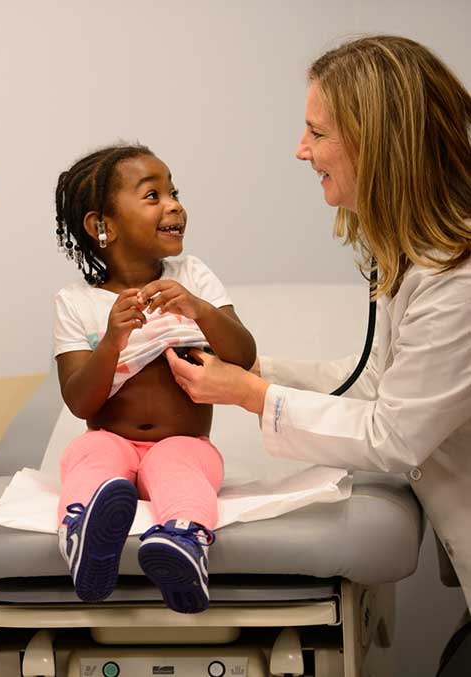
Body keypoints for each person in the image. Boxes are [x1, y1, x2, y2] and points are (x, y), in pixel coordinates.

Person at [163, 34, 471, 671]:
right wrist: (254, 371)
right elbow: (379, 379)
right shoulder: (417, 259)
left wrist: (248, 394)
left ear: (376, 142)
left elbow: (394, 434)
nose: (301, 151)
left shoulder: (458, 282)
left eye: (316, 132)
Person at [50, 144, 256, 613]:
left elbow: (242, 356)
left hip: (182, 439)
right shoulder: (75, 302)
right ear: (102, 225)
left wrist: (198, 309)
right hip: (113, 437)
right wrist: (111, 342)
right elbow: (81, 402)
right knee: (88, 454)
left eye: (174, 192)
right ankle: (83, 534)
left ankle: (183, 541)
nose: (174, 204)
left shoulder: (193, 277)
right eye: (152, 195)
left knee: (180, 468)